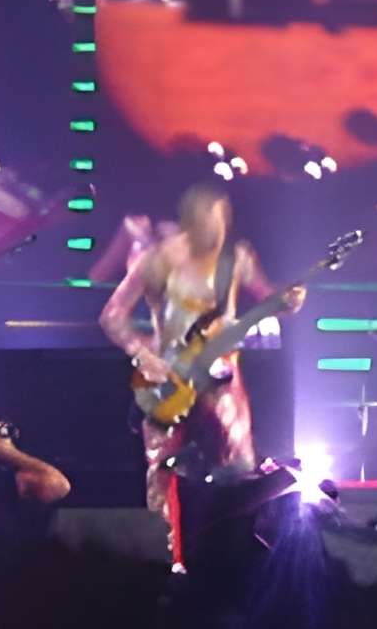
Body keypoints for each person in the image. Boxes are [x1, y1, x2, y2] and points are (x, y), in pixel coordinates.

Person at [99, 182, 289, 535]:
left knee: (238, 470)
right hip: (169, 380)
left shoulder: (236, 258)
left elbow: (268, 299)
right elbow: (112, 316)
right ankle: (165, 554)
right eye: (211, 218)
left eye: (224, 218)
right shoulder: (158, 260)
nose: (219, 227)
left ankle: (231, 546)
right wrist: (143, 353)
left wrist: (288, 301)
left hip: (222, 380)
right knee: (163, 474)